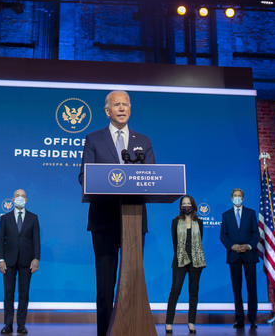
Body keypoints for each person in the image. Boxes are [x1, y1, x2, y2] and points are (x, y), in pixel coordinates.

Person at [78, 90, 156, 336]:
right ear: (107, 111)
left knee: (133, 282)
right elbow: (84, 176)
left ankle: (134, 330)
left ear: (130, 109)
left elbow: (153, 178)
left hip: (134, 220)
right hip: (104, 220)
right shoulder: (94, 139)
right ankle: (105, 333)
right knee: (105, 285)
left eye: (126, 104)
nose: (122, 108)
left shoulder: (143, 140)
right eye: (117, 104)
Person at [0, 189, 41, 334]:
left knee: (24, 294)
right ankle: (8, 324)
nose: (20, 198)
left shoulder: (33, 218)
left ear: (26, 199)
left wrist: (36, 258)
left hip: (27, 262)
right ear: (12, 199)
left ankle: (21, 325)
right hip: (8, 261)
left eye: (22, 196)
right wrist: (0, 259)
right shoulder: (5, 218)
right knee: (8, 293)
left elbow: (36, 240)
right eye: (17, 196)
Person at [165, 195, 206, 334]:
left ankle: (191, 322)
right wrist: (181, 255)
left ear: (193, 206)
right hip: (180, 260)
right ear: (181, 206)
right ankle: (169, 322)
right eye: (184, 203)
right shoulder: (175, 222)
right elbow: (174, 243)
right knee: (175, 290)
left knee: (193, 292)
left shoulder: (199, 222)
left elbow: (200, 241)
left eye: (188, 203)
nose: (186, 206)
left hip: (196, 261)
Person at [219, 188, 259, 329]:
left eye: (239, 196)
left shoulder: (251, 213)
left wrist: (248, 246)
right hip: (234, 255)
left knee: (252, 288)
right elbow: (223, 235)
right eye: (235, 196)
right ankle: (239, 319)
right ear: (231, 198)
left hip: (249, 255)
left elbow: (256, 234)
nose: (237, 198)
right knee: (237, 289)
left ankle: (253, 319)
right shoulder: (226, 215)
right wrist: (232, 246)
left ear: (243, 198)